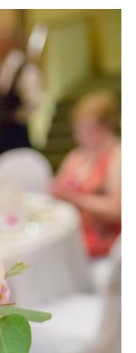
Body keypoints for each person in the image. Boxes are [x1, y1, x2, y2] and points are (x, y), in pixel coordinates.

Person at [51, 91, 121, 259]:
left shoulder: (117, 156)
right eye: (78, 130)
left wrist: (77, 200)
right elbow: (58, 188)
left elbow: (116, 209)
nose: (81, 137)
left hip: (102, 245)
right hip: (72, 237)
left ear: (106, 127)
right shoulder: (77, 155)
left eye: (88, 130)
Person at [0, 28, 42, 165]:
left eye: (2, 43)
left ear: (12, 44)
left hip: (18, 133)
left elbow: (34, 101)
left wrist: (18, 115)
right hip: (0, 134)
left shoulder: (26, 69)